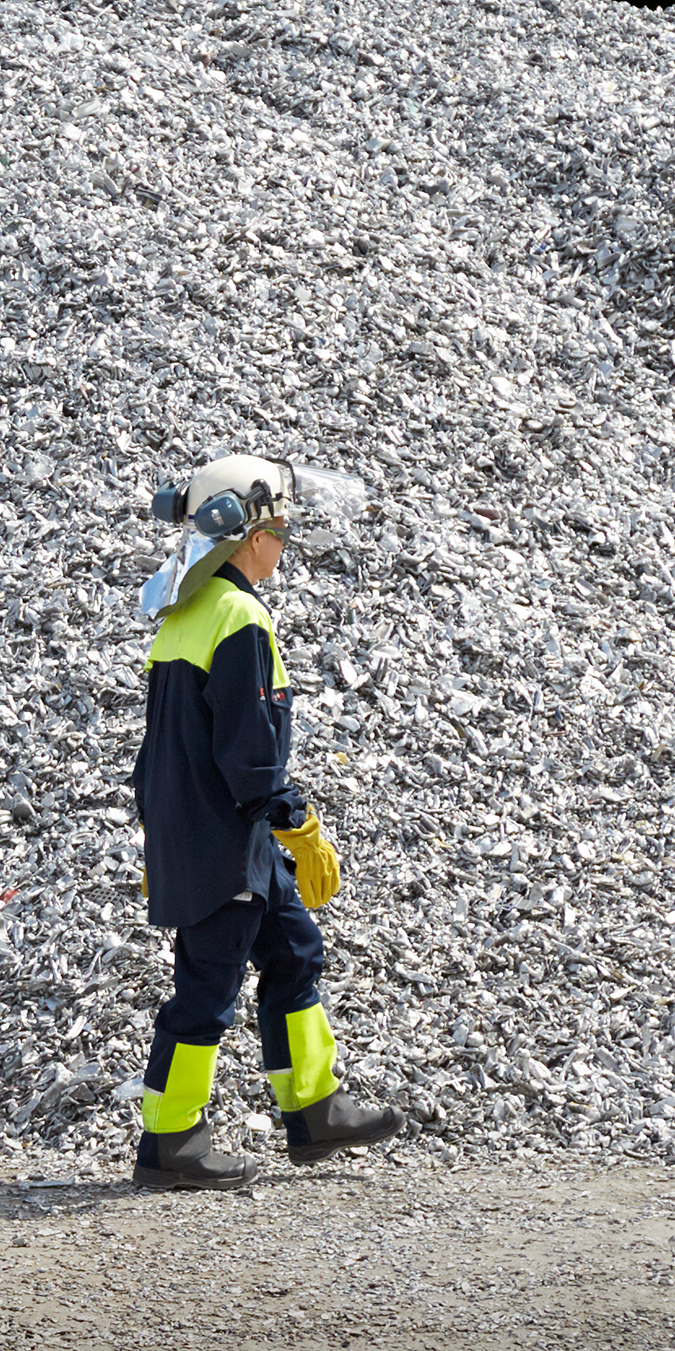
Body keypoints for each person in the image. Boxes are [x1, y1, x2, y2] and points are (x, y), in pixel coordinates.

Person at [127, 455, 406, 1191]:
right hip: (227, 841)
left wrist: (160, 835)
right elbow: (250, 754)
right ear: (251, 538)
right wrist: (299, 825)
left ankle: (315, 1109)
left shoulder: (183, 615)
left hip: (218, 835)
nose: (283, 544)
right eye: (280, 531)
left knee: (293, 953)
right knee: (207, 989)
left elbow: (160, 750)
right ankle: (170, 1141)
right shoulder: (240, 618)